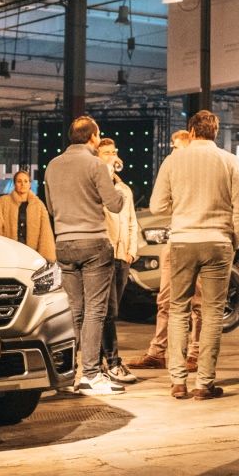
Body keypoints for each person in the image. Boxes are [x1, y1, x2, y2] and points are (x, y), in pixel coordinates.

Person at [149, 110, 239, 400]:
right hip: (218, 242)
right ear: (215, 133)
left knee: (178, 309)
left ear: (191, 132)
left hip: (182, 241)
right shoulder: (229, 161)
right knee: (212, 313)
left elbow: (157, 206)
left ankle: (178, 382)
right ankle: (204, 384)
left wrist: (181, 210)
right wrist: (233, 239)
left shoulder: (173, 160)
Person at [44, 116, 125, 395]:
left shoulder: (52, 165)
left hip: (64, 243)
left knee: (74, 312)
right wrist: (114, 180)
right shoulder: (96, 165)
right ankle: (91, 374)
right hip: (93, 244)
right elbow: (115, 205)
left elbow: (52, 209)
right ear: (93, 137)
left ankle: (68, 376)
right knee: (95, 311)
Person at [128, 130, 203, 373]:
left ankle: (194, 353)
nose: (173, 152)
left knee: (197, 302)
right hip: (176, 238)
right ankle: (157, 352)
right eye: (172, 147)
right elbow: (159, 205)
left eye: (177, 147)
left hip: (197, 239)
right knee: (165, 300)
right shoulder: (174, 169)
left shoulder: (199, 173)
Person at [97, 138, 139, 386]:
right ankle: (111, 361)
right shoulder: (98, 188)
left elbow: (132, 221)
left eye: (114, 152)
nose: (112, 156)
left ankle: (105, 360)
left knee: (111, 311)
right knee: (107, 311)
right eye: (106, 153)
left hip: (122, 257)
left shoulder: (124, 189)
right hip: (104, 255)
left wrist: (131, 251)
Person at [0, 170, 56, 262]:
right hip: (9, 255)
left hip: (32, 255)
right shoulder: (3, 202)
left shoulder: (38, 205)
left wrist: (46, 257)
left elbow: (45, 233)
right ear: (14, 184)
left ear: (30, 184)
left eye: (26, 181)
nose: (23, 184)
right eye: (19, 181)